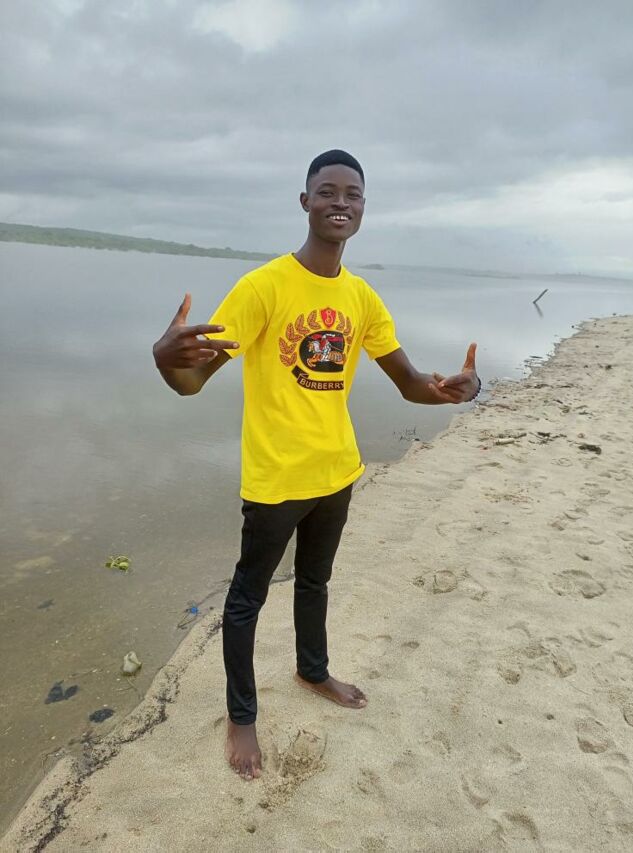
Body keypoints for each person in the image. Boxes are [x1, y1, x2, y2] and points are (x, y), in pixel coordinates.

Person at [152, 150, 480, 781]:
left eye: (352, 194)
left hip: (337, 472)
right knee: (246, 599)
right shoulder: (263, 287)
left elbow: (411, 383)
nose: (340, 202)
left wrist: (452, 391)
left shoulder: (361, 296)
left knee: (315, 581)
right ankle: (241, 716)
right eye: (327, 191)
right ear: (305, 203)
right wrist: (166, 360)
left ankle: (312, 670)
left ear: (363, 208)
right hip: (276, 478)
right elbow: (192, 384)